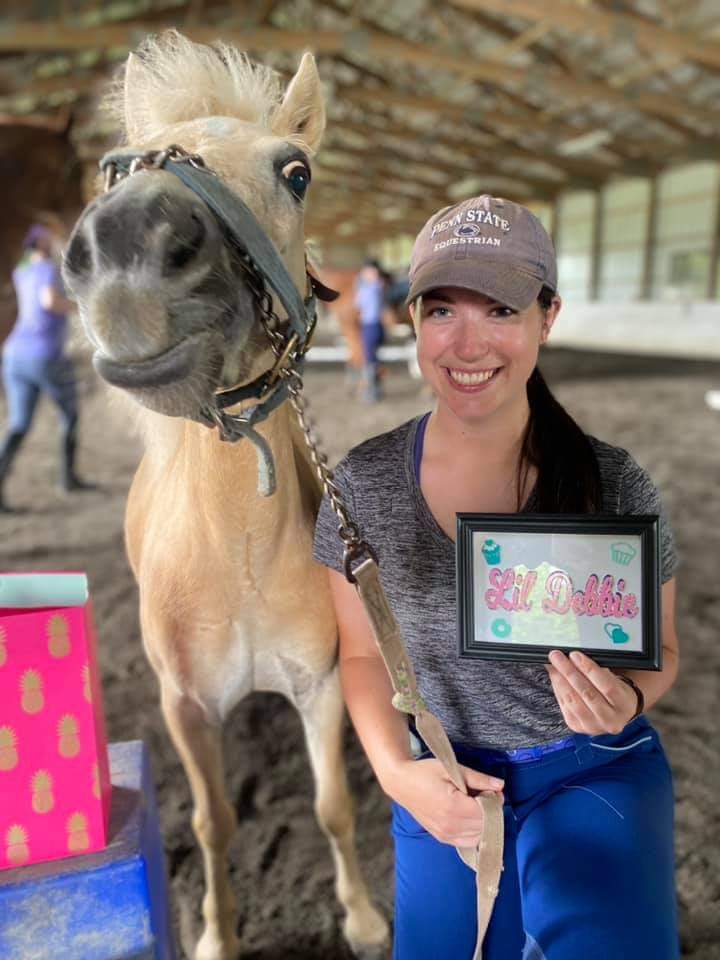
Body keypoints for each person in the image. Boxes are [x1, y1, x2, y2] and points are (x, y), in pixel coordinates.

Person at [313, 195, 680, 960]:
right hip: (443, 786)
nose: (467, 343)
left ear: (548, 317)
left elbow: (663, 651)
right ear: (411, 317)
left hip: (595, 772)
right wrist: (397, 776)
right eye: (442, 309)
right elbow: (359, 654)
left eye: (502, 309)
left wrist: (629, 698)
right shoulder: (363, 483)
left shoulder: (613, 483)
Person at [0, 223, 93, 512]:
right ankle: (67, 479)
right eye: (47, 237)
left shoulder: (21, 271)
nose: (52, 241)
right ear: (40, 243)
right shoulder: (48, 269)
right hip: (44, 356)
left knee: (19, 424)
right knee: (70, 415)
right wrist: (83, 308)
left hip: (14, 354)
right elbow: (49, 301)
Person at [354, 259, 387, 403]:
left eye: (370, 271)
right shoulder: (371, 287)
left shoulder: (374, 287)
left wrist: (361, 281)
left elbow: (359, 303)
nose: (366, 274)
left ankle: (372, 392)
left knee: (370, 360)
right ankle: (374, 389)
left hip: (371, 326)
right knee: (372, 359)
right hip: (371, 325)